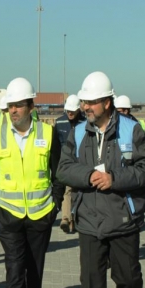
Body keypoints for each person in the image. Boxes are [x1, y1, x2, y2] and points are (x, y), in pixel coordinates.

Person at [57, 71, 145, 288]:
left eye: (92, 102)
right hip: (89, 222)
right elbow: (63, 168)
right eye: (84, 101)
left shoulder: (131, 130)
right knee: (90, 285)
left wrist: (115, 179)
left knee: (127, 280)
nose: (86, 107)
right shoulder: (77, 132)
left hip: (123, 221)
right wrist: (88, 175)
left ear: (108, 103)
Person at [0, 77, 63, 288]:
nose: (13, 111)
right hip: (9, 217)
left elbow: (59, 174)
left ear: (31, 106)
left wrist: (55, 205)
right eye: (10, 107)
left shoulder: (49, 134)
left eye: (18, 105)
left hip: (40, 215)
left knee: (34, 271)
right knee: (15, 272)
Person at [54, 94, 85, 234]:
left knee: (77, 191)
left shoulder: (85, 123)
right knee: (67, 190)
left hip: (80, 164)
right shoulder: (59, 123)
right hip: (65, 163)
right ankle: (66, 219)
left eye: (73, 111)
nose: (70, 113)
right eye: (68, 111)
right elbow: (55, 145)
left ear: (79, 109)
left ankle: (74, 219)